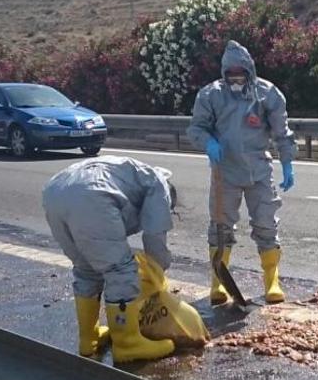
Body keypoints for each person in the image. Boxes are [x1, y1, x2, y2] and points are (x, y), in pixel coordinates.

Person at [42, 155, 207, 363]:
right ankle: (127, 344)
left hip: (54, 191)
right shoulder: (159, 185)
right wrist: (156, 275)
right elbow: (155, 236)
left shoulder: (133, 174)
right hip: (92, 194)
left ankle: (88, 339)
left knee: (87, 269)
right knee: (121, 270)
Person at [187, 40, 297, 305]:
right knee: (221, 228)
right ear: (224, 73)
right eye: (231, 73)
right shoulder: (210, 95)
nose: (236, 78)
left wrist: (287, 163)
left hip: (259, 170)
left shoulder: (267, 94)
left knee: (266, 225)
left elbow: (282, 131)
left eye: (240, 73)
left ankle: (272, 280)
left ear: (250, 70)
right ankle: (218, 283)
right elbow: (196, 129)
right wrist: (208, 142)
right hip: (225, 171)